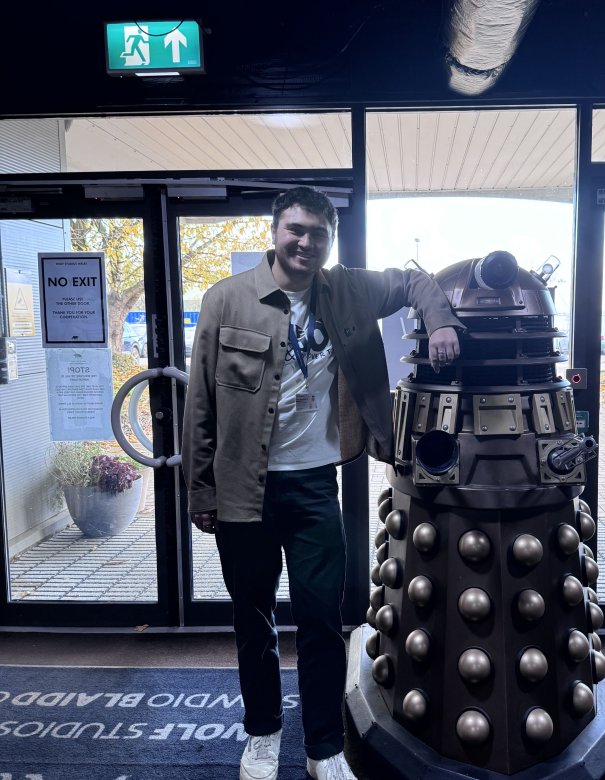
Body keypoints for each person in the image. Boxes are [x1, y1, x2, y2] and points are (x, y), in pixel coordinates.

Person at [182, 186, 461, 780]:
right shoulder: (225, 300)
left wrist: (439, 320)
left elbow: (416, 283)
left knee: (320, 620)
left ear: (329, 242)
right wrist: (200, 490)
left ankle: (323, 748)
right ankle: (261, 734)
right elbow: (200, 402)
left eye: (318, 234)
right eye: (296, 231)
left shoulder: (348, 289)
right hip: (241, 490)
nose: (305, 243)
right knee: (252, 617)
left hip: (313, 488)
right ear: (275, 232)